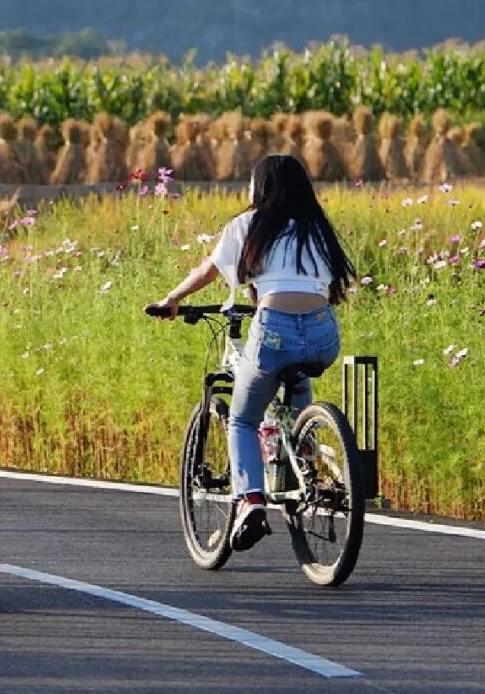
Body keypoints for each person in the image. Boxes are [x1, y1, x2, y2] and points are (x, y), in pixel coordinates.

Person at [145, 153, 356, 552]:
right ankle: (305, 458)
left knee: (242, 419)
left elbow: (210, 268)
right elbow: (326, 288)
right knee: (297, 375)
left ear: (260, 187)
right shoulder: (318, 229)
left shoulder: (248, 225)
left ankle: (252, 502)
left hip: (272, 329)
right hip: (324, 333)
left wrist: (172, 299)